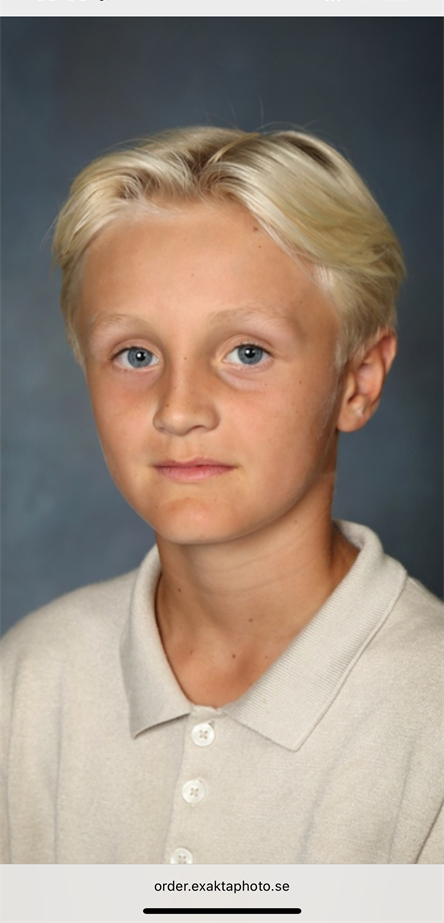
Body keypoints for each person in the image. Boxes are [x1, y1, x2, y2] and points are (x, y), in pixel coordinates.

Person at [1, 127, 442, 865]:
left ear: (357, 382)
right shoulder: (28, 681)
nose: (178, 410)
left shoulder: (429, 715)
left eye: (247, 352)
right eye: (135, 355)